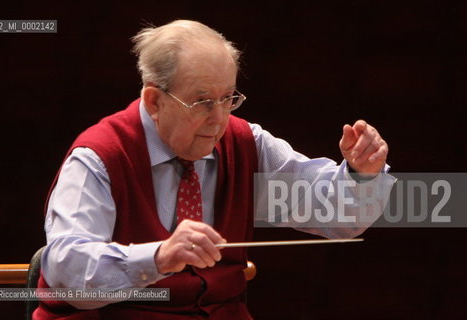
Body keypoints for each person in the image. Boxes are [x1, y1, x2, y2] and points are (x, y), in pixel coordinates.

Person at [34, 20, 396, 319]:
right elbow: (68, 272)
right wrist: (158, 257)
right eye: (203, 102)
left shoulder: (244, 143)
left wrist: (362, 173)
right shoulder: (99, 156)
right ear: (154, 101)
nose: (220, 120)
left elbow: (338, 217)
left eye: (228, 99)